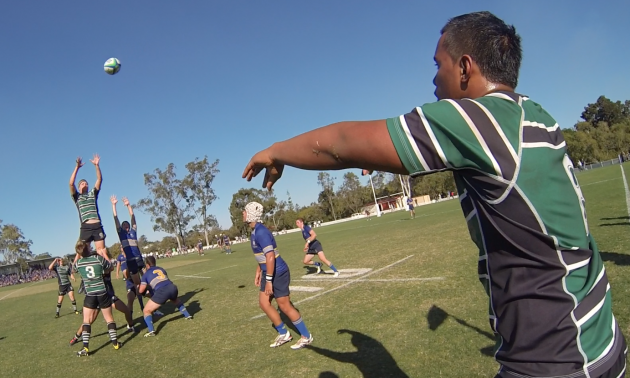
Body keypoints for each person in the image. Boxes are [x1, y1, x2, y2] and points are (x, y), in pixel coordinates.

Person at [241, 11, 626, 378]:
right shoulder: (533, 113)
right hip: (600, 338)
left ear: (464, 67)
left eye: (438, 65)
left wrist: (275, 150)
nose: (434, 79)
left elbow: (340, 143)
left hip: (554, 357)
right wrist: (388, 159)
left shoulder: (476, 118)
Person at [244, 202, 313, 350]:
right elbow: (263, 256)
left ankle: (306, 336)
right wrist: (258, 271)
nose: (243, 213)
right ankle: (284, 333)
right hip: (268, 272)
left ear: (251, 214)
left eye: (245, 211)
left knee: (285, 306)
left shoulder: (261, 231)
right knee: (264, 303)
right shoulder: (255, 231)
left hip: (278, 273)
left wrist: (268, 280)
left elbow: (270, 257)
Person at [72, 240, 121, 356]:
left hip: (90, 294)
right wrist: (103, 254)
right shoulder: (98, 259)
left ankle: (85, 348)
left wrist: (78, 254)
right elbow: (110, 267)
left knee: (86, 321)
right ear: (88, 248)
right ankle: (115, 343)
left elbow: (73, 269)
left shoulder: (79, 263)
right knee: (109, 318)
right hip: (102, 292)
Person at [139, 256, 192, 337]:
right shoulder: (161, 269)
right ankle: (188, 315)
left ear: (147, 265)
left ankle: (151, 330)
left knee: (146, 311)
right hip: (172, 287)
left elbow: (141, 290)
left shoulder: (146, 274)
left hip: (162, 291)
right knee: (175, 300)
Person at [70, 155, 108, 257]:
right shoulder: (77, 197)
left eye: (86, 183)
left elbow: (99, 179)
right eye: (82, 183)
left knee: (101, 251)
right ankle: (77, 270)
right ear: (79, 187)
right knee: (83, 252)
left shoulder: (92, 194)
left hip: (97, 225)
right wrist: (77, 168)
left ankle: (104, 272)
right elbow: (71, 183)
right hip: (85, 227)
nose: (84, 184)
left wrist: (97, 165)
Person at [111, 195, 144, 291]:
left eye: (127, 224)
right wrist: (114, 205)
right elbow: (115, 218)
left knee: (148, 279)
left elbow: (133, 217)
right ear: (121, 227)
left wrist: (128, 205)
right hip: (131, 262)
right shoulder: (121, 235)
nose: (125, 225)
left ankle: (154, 298)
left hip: (139, 259)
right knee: (138, 285)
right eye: (123, 225)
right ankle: (142, 304)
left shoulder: (133, 232)